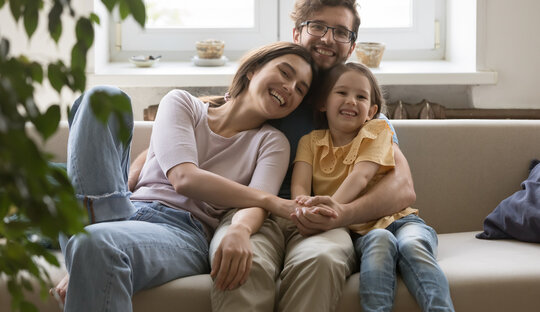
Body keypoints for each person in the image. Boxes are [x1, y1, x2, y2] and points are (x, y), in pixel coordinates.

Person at [52, 42, 317, 312]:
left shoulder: (273, 143)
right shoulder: (182, 103)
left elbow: (254, 206)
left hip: (183, 233)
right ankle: (94, 238)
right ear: (253, 69)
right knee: (103, 97)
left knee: (93, 243)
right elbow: (184, 177)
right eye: (285, 73)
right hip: (125, 210)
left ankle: (90, 245)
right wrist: (275, 202)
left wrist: (240, 229)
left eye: (300, 89)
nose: (290, 87)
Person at [291, 61, 454, 312]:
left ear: (371, 110)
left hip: (401, 221)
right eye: (342, 92)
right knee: (379, 240)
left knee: (412, 246)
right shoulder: (309, 142)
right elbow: (300, 185)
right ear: (323, 102)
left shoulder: (376, 131)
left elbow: (361, 176)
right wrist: (303, 208)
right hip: (361, 233)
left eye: (361, 97)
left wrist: (333, 206)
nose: (351, 101)